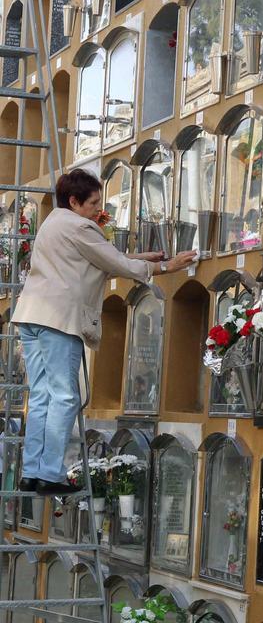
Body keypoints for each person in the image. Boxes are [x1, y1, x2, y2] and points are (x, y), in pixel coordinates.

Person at [11, 169, 197, 495]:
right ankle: (51, 475)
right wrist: (166, 266)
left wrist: (140, 258)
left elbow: (97, 258)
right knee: (67, 397)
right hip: (58, 320)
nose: (99, 209)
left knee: (41, 396)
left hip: (31, 317)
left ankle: (33, 472)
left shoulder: (54, 222)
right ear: (74, 201)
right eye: (94, 202)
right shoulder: (80, 225)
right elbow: (115, 264)